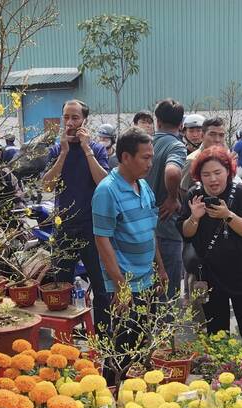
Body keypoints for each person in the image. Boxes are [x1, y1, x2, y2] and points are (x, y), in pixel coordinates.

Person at [92, 127, 167, 384]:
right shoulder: (107, 190)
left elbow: (150, 230)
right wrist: (120, 285)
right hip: (124, 285)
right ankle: (110, 400)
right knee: (119, 350)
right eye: (145, 157)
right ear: (125, 157)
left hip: (146, 280)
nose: (150, 163)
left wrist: (160, 267)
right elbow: (102, 240)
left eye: (151, 157)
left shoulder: (144, 186)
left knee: (141, 344)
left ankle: (132, 400)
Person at [178, 146, 242, 344]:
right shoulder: (194, 195)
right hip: (210, 275)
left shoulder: (241, 193)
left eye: (218, 173)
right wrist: (194, 218)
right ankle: (221, 372)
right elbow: (186, 233)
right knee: (217, 332)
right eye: (206, 174)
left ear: (228, 171)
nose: (213, 179)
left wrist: (228, 216)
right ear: (199, 176)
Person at [42, 99, 111, 332]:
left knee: (101, 286)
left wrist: (87, 149)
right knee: (60, 286)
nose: (70, 123)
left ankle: (103, 336)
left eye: (75, 118)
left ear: (84, 121)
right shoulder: (55, 150)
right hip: (64, 228)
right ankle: (64, 338)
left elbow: (104, 182)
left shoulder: (98, 149)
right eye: (66, 118)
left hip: (92, 228)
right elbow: (47, 186)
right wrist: (63, 153)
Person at [144, 98, 188, 299]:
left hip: (142, 227)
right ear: (181, 125)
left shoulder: (145, 145)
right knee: (167, 294)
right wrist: (172, 198)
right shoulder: (176, 146)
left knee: (148, 291)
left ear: (157, 120)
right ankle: (165, 330)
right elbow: (172, 172)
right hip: (166, 228)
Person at [180, 117, 227, 194]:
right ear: (202, 136)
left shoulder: (225, 158)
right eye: (212, 135)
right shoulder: (192, 161)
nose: (217, 139)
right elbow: (183, 191)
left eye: (221, 135)